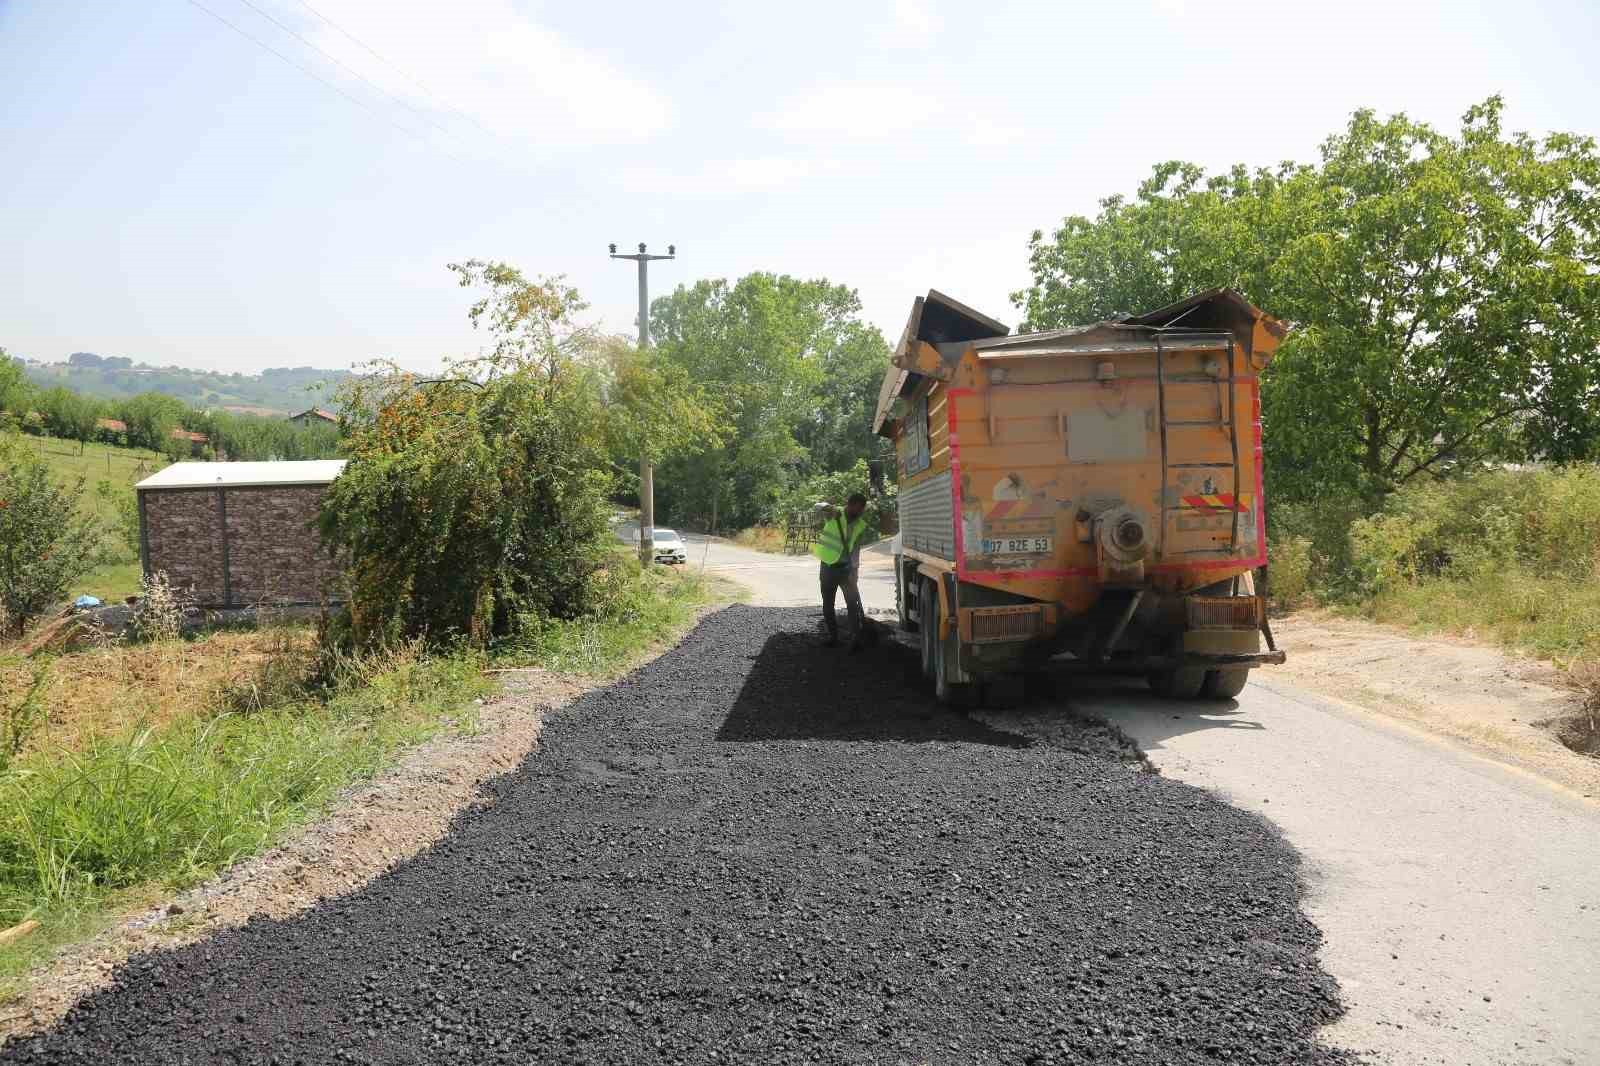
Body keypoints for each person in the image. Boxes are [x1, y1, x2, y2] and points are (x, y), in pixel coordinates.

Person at [812, 492, 870, 650]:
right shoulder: (834, 514)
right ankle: (833, 637)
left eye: (861, 510)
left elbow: (856, 549)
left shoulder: (860, 525)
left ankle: (855, 639)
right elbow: (816, 507)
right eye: (857, 509)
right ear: (849, 505)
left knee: (852, 604)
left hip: (846, 570)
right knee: (828, 604)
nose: (859, 512)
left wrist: (855, 570)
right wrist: (827, 507)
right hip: (828, 567)